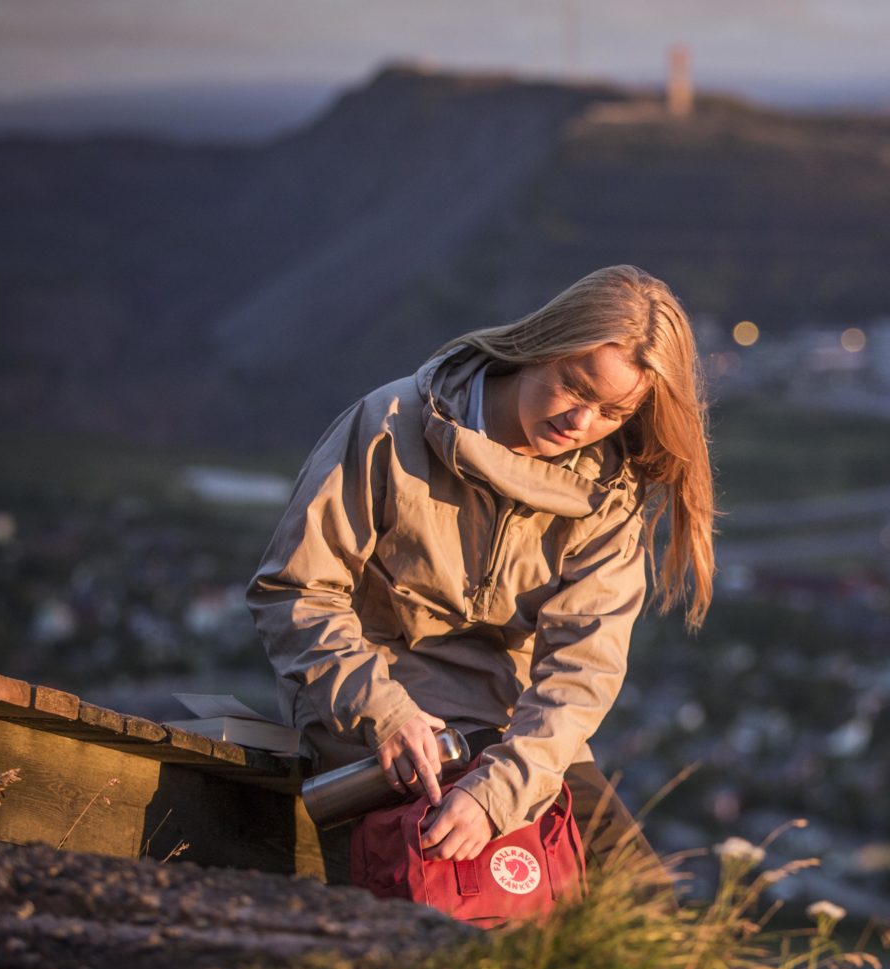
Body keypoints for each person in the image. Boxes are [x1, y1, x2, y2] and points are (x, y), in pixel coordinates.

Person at [246, 264, 714, 879]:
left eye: (612, 412)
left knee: (639, 902)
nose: (582, 424)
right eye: (575, 387)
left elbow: (581, 673)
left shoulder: (610, 496)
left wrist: (496, 795)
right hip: (372, 717)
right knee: (445, 896)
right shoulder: (390, 422)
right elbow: (295, 591)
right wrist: (384, 712)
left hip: (509, 732)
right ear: (540, 345)